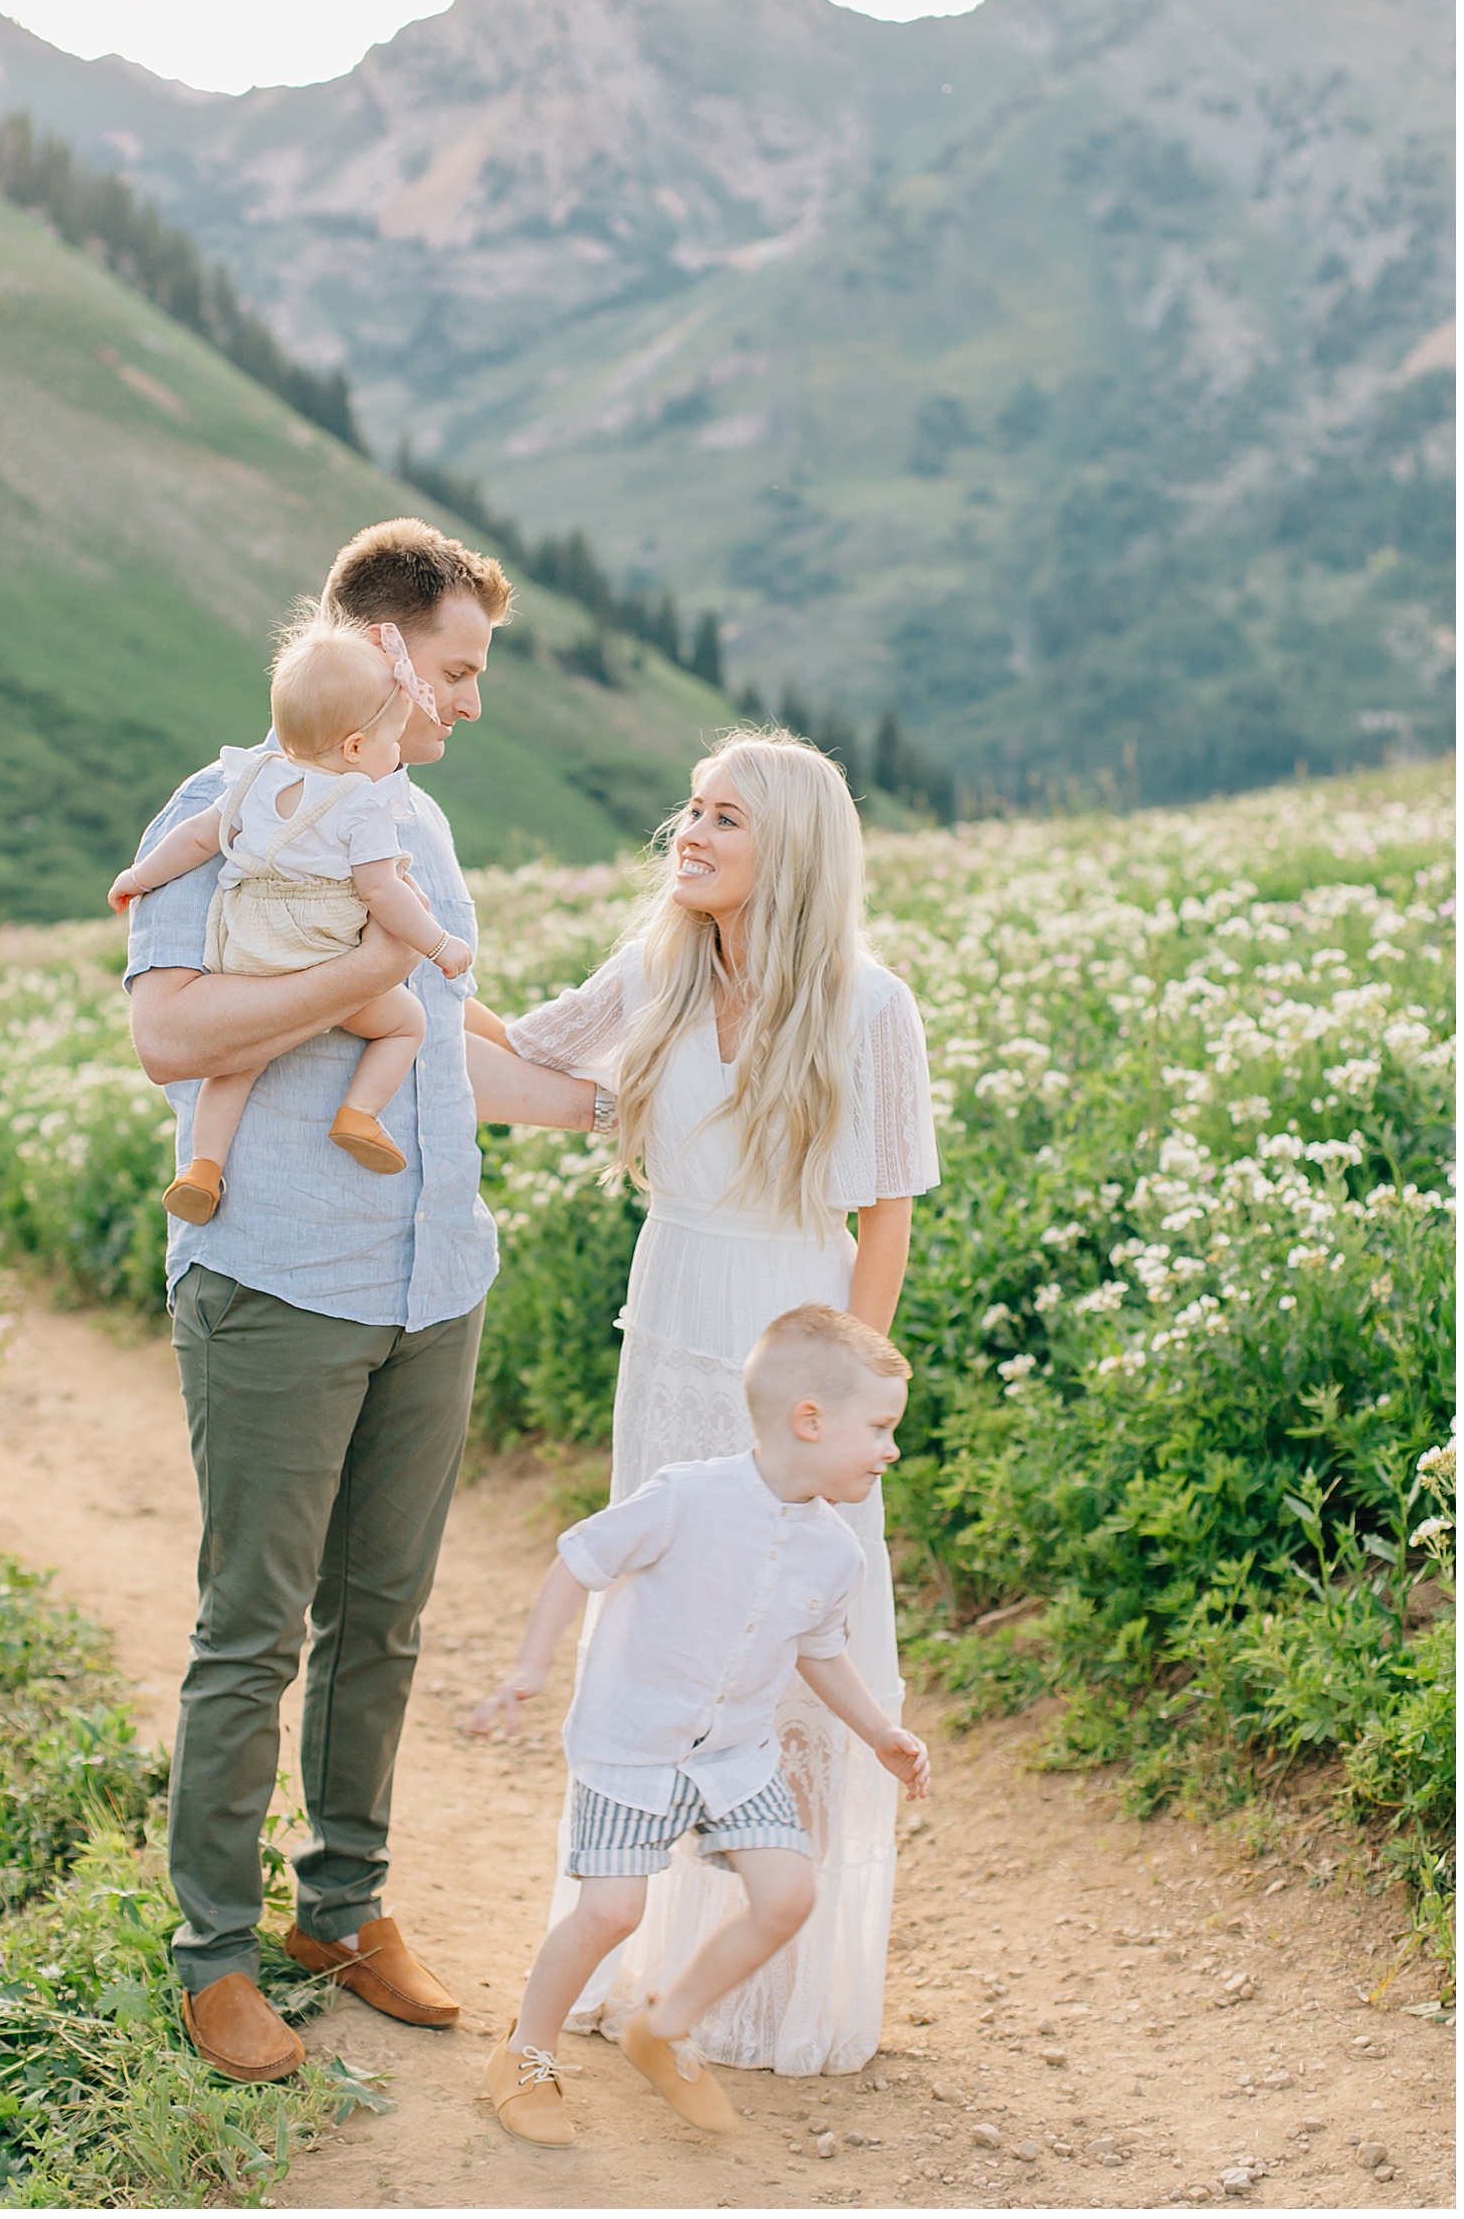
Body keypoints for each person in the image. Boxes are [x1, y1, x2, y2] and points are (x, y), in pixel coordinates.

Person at [466, 729, 941, 2077]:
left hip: (791, 1339)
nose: (691, 831)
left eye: (724, 817)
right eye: (690, 809)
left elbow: (888, 1210)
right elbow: (521, 1050)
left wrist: (850, 1400)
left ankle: (771, 1990)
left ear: (785, 849)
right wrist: (398, 955)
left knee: (792, 1636)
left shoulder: (868, 1006)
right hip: (670, 1338)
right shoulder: (656, 977)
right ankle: (648, 1952)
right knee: (668, 1632)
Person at [123, 517, 512, 2086]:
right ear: (386, 648)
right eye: (462, 668)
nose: (474, 702)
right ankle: (213, 1948)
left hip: (435, 1270)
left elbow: (444, 1037)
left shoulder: (415, 818)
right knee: (253, 1627)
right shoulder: (230, 801)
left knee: (387, 1618)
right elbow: (171, 1035)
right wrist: (362, 979)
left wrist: (633, 1085)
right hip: (278, 1269)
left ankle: (341, 1908)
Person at [467, 1306, 930, 2147]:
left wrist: (878, 1732)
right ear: (810, 1419)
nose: (892, 1447)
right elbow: (579, 1557)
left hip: (732, 1757)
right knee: (610, 1912)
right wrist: (531, 1666)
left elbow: (819, 1653)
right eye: (882, 1426)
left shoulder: (838, 1551)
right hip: (632, 1746)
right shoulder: (687, 1496)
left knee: (789, 1892)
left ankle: (664, 2025)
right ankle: (525, 2051)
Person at [109, 614, 474, 1211]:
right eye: (391, 740)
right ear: (357, 746)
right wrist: (438, 945)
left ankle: (203, 1168)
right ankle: (358, 1115)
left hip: (249, 946)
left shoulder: (252, 780)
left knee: (240, 1061)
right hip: (322, 942)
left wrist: (139, 876)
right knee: (406, 1022)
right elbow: (384, 892)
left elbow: (199, 839)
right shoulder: (364, 807)